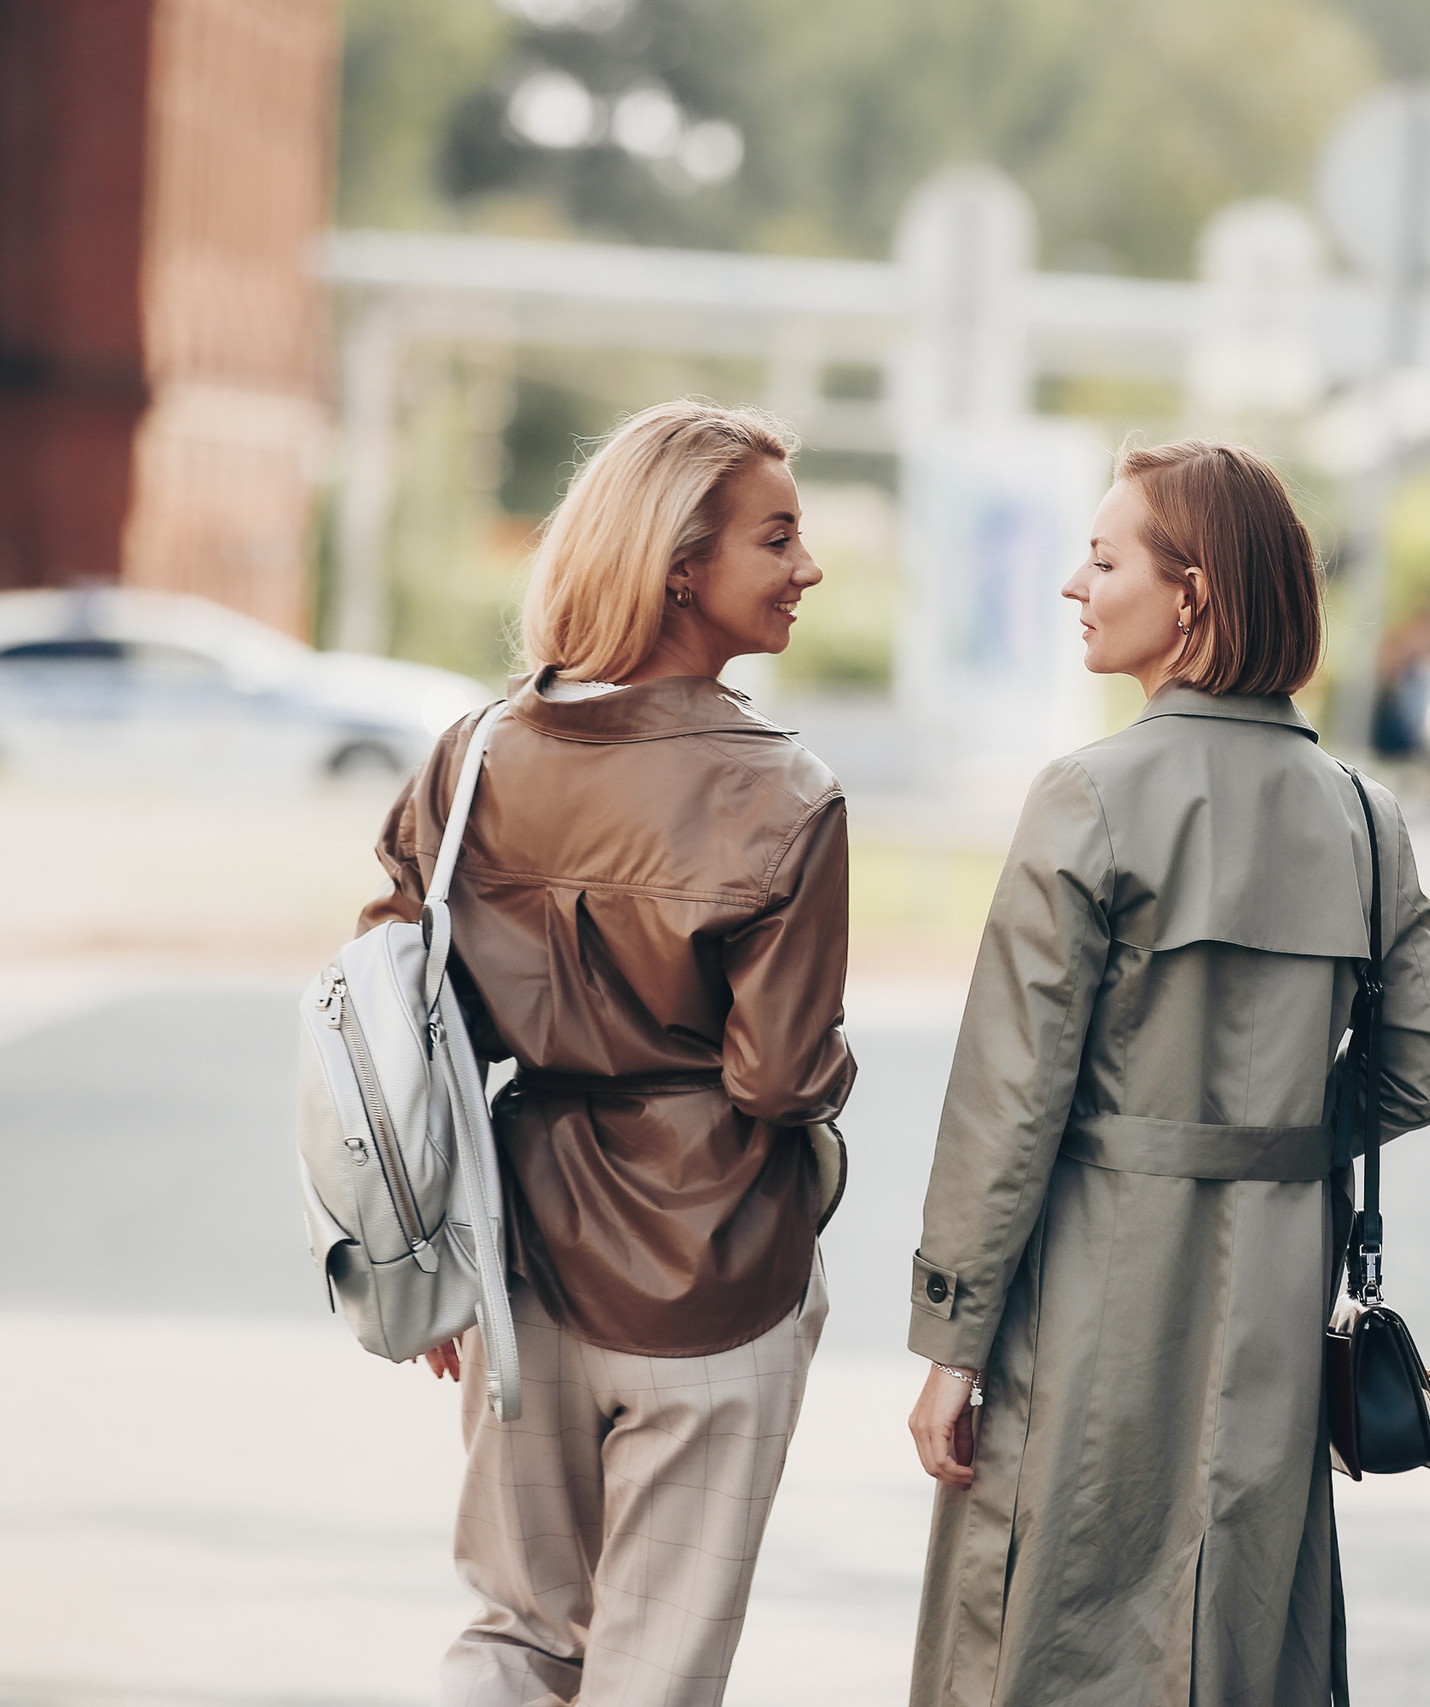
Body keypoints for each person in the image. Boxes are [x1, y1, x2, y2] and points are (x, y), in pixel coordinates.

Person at [904, 440, 1430, 1706]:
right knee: (1241, 1625)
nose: (1072, 585)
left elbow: (1011, 1100)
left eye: (1104, 560)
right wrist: (1279, 1140)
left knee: (1044, 1622)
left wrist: (951, 1342)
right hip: (1276, 1281)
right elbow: (1419, 1071)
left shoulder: (1089, 798)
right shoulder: (1365, 818)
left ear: (1194, 594)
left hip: (1098, 1283)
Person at [359, 399, 855, 1706]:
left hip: (516, 1249)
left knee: (514, 1632)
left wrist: (431, 1227)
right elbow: (781, 1079)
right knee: (655, 1666)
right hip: (720, 1268)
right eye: (779, 535)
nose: (809, 566)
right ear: (680, 562)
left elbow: (389, 997)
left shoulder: (477, 755)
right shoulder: (785, 790)